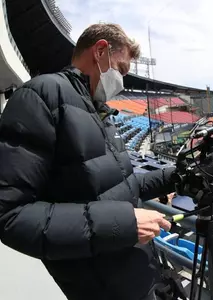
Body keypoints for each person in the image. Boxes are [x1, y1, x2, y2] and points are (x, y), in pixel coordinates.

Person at [0, 24, 177, 300]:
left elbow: (119, 186)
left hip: (135, 277)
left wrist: (174, 176)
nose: (123, 80)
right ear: (100, 51)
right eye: (121, 69)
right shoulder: (41, 96)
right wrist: (125, 225)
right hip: (100, 287)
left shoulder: (98, 110)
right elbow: (10, 216)